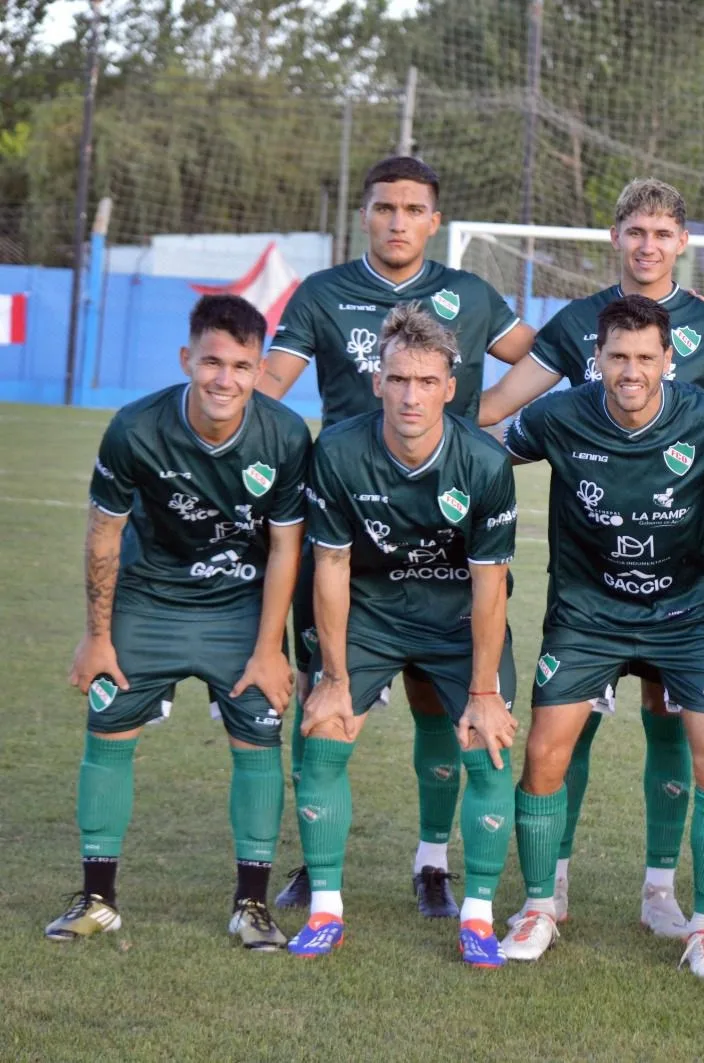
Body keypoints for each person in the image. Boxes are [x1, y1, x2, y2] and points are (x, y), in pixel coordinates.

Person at [478, 177, 704, 936]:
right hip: (589, 578)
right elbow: (501, 410)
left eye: (662, 233)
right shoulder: (577, 322)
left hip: (683, 579)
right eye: (635, 231)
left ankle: (661, 892)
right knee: (566, 729)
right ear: (615, 237)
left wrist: (701, 457)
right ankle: (552, 883)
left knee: (671, 724)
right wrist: (419, 430)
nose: (648, 246)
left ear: (682, 242)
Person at [259, 155, 536, 918]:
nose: (398, 221)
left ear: (434, 221)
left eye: (414, 209)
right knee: (323, 697)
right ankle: (314, 862)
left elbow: (547, 354)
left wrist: (486, 414)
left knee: (436, 703)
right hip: (349, 521)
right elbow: (271, 387)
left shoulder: (468, 295)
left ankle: (432, 861)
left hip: (445, 531)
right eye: (385, 207)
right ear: (366, 215)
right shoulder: (322, 293)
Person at [50, 295, 310, 950]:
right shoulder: (136, 428)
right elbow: (104, 534)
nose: (225, 379)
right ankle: (97, 898)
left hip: (240, 604)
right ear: (186, 358)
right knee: (107, 730)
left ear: (259, 370)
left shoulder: (284, 436)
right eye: (212, 362)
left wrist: (270, 648)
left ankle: (251, 905)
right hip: (148, 599)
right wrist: (98, 636)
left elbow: (287, 548)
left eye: (242, 366)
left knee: (258, 741)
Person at [288, 304, 519, 967]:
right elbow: (330, 567)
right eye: (397, 380)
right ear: (377, 382)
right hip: (371, 611)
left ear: (450, 387)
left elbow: (490, 585)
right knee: (324, 732)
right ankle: (325, 909)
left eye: (426, 381)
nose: (411, 395)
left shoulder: (483, 461)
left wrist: (484, 691)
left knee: (486, 744)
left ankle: (477, 917)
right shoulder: (338, 451)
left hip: (456, 616)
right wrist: (334, 677)